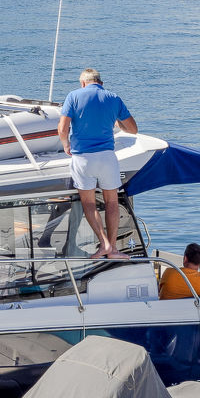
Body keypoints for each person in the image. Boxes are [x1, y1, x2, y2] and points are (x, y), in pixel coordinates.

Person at [56, 68, 137, 257]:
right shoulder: (113, 98)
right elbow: (133, 129)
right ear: (100, 83)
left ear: (83, 83)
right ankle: (114, 248)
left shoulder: (74, 96)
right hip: (108, 158)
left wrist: (66, 145)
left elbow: (62, 128)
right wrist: (117, 122)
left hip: (83, 158)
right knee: (112, 202)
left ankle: (104, 244)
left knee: (89, 204)